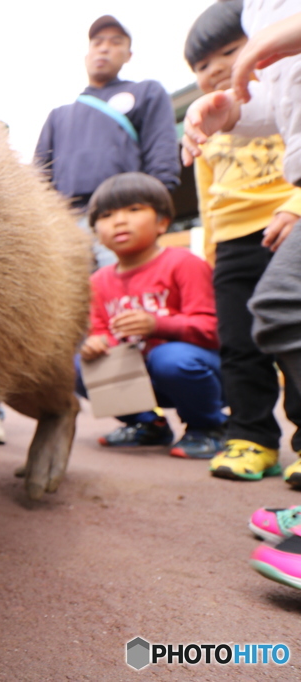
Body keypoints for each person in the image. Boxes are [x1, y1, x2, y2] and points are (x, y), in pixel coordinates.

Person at [181, 1, 301, 593]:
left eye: (228, 53)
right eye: (201, 63)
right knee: (247, 336)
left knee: (284, 319)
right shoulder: (260, 16)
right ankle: (250, 435)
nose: (215, 68)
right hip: (230, 240)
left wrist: (296, 205)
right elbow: (278, 105)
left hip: (284, 214)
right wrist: (228, 112)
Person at [76, 173, 227, 458]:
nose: (119, 221)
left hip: (197, 372)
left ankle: (209, 427)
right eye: (107, 215)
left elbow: (213, 328)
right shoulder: (98, 281)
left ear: (162, 222)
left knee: (169, 358)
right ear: (95, 231)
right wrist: (97, 343)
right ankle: (147, 425)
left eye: (134, 210)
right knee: (79, 365)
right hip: (141, 375)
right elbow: (100, 330)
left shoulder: (183, 263)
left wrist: (157, 324)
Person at [35, 15, 181, 270]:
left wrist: (150, 213)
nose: (104, 48)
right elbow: (38, 177)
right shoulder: (59, 115)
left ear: (128, 55)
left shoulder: (146, 92)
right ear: (87, 55)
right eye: (97, 42)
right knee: (69, 305)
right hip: (65, 224)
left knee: (123, 297)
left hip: (122, 215)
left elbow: (162, 156)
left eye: (115, 42)